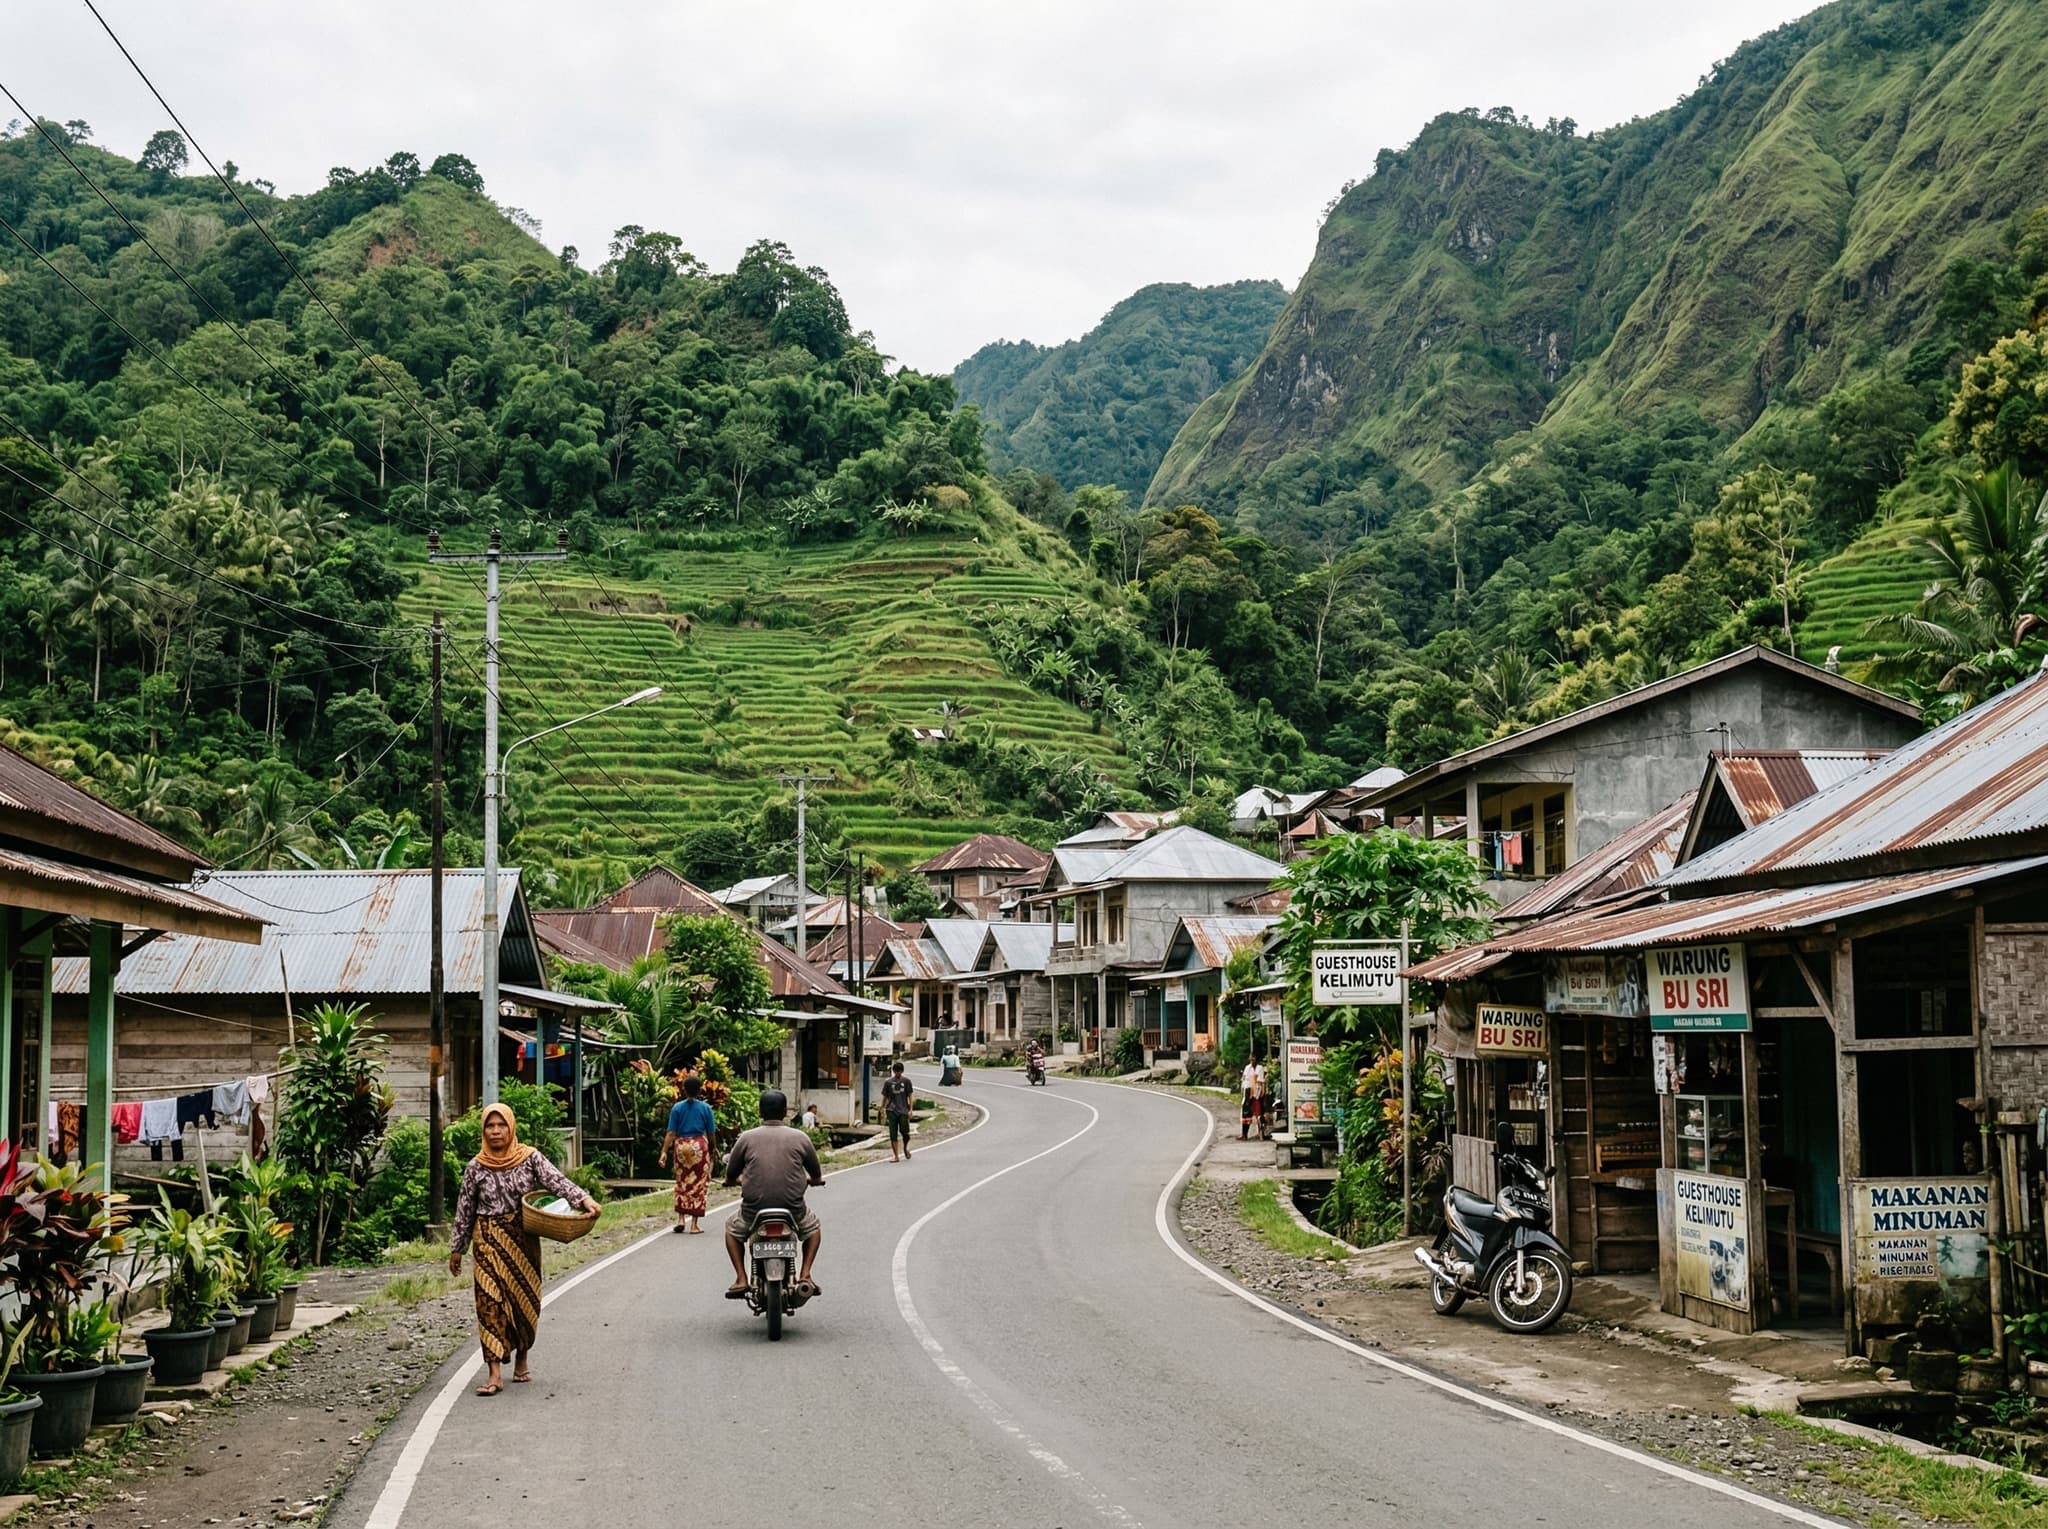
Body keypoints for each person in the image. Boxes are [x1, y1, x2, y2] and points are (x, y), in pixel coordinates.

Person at [448, 1103, 597, 1397]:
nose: (495, 1132)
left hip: (522, 1240)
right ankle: (493, 1373)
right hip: (488, 1242)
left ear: (511, 1127)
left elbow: (557, 1181)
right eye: (489, 1126)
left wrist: (583, 1200)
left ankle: (522, 1357)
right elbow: (464, 1210)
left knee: (524, 1302)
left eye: (500, 1125)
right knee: (489, 1303)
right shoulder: (475, 1167)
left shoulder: (529, 1159)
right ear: (484, 1131)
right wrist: (457, 1248)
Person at [722, 1089, 825, 1298]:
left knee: (732, 1232)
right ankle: (805, 1275)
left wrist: (731, 1181)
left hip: (753, 1211)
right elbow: (816, 1173)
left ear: (760, 1112)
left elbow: (731, 1173)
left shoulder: (746, 1138)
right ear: (786, 1112)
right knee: (813, 1231)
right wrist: (814, 1181)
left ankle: (741, 1278)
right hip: (793, 1210)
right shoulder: (801, 1138)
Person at [660, 1075, 717, 1235]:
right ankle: (694, 1225)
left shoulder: (677, 1108)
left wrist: (664, 1152)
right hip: (699, 1146)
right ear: (700, 1091)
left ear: (684, 1090)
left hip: (682, 1146)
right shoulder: (705, 1109)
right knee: (699, 1184)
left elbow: (671, 1133)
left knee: (682, 1182)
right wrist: (713, 1148)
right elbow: (711, 1133)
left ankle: (680, 1219)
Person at [881, 1061, 915, 1162]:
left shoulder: (906, 1081)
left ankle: (905, 1148)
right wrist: (882, 1108)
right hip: (891, 1110)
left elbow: (910, 1096)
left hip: (903, 1110)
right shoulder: (888, 1082)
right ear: (893, 1071)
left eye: (899, 1072)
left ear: (902, 1071)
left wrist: (911, 1109)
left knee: (905, 1132)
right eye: (896, 1072)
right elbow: (885, 1096)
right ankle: (896, 1156)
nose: (897, 1074)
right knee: (893, 1133)